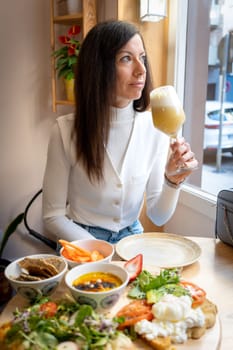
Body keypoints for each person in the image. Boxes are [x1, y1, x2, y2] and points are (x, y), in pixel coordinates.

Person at [42, 20, 198, 244]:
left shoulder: (156, 129)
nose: (142, 70)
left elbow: (157, 214)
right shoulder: (65, 131)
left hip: (132, 240)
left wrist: (172, 181)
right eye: (126, 58)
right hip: (82, 243)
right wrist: (99, 251)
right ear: (99, 67)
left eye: (142, 57)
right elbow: (53, 216)